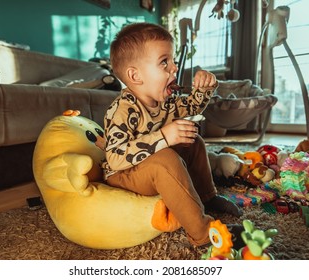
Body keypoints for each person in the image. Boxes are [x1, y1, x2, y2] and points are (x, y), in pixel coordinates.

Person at [102, 22, 242, 247]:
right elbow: (115, 157)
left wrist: (205, 88)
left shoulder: (164, 101)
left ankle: (207, 196)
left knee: (192, 140)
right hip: (123, 174)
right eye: (164, 62)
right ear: (135, 76)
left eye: (173, 61)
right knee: (165, 160)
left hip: (150, 164)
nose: (174, 68)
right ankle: (203, 233)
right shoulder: (123, 109)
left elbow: (193, 107)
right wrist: (164, 137)